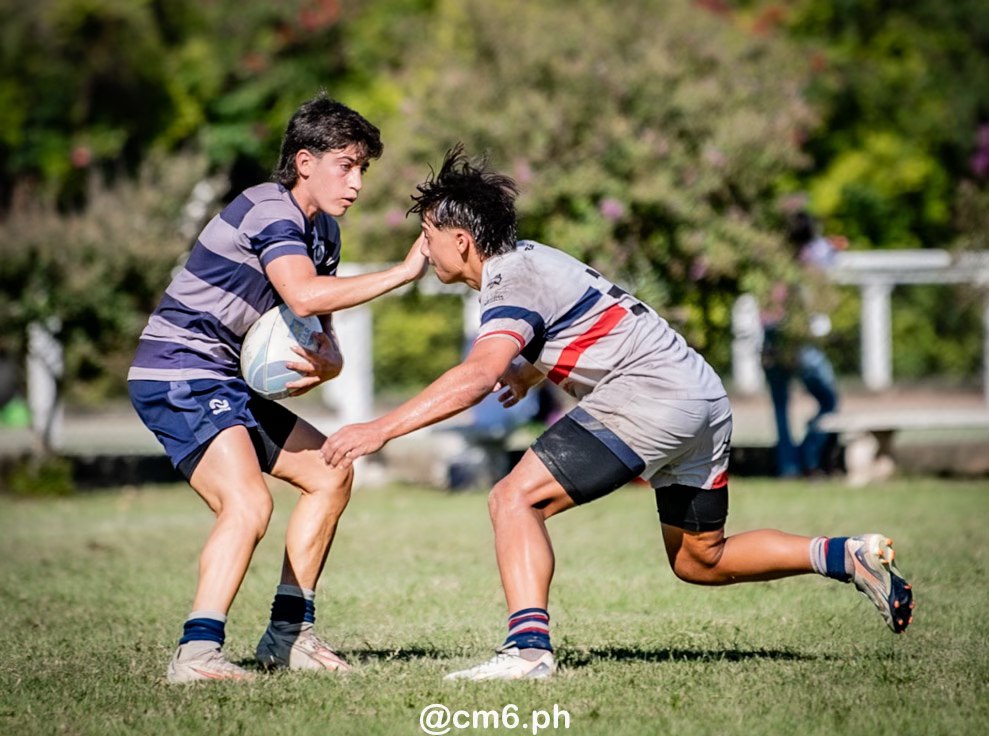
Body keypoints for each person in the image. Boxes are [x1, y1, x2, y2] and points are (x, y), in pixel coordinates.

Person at [321, 146, 914, 681]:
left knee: (513, 499)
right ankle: (844, 554)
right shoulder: (533, 258)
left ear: (460, 241)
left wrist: (379, 428)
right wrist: (531, 371)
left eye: (427, 233)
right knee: (700, 559)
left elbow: (476, 376)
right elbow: (587, 323)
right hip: (701, 396)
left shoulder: (510, 278)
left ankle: (527, 652)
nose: (422, 247)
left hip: (651, 396)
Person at [128, 93, 427, 683]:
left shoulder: (325, 236)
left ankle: (287, 637)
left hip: (221, 380)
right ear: (304, 160)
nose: (358, 182)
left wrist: (328, 363)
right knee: (248, 503)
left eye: (363, 167)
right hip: (179, 371)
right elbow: (304, 295)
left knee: (331, 469)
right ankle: (196, 655)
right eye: (347, 164)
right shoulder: (266, 208)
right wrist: (402, 272)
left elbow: (322, 331)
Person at [761, 211, 843, 477]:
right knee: (828, 400)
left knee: (781, 409)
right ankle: (809, 456)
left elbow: (766, 310)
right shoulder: (813, 259)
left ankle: (789, 466)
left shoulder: (771, 262)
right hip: (798, 341)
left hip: (772, 338)